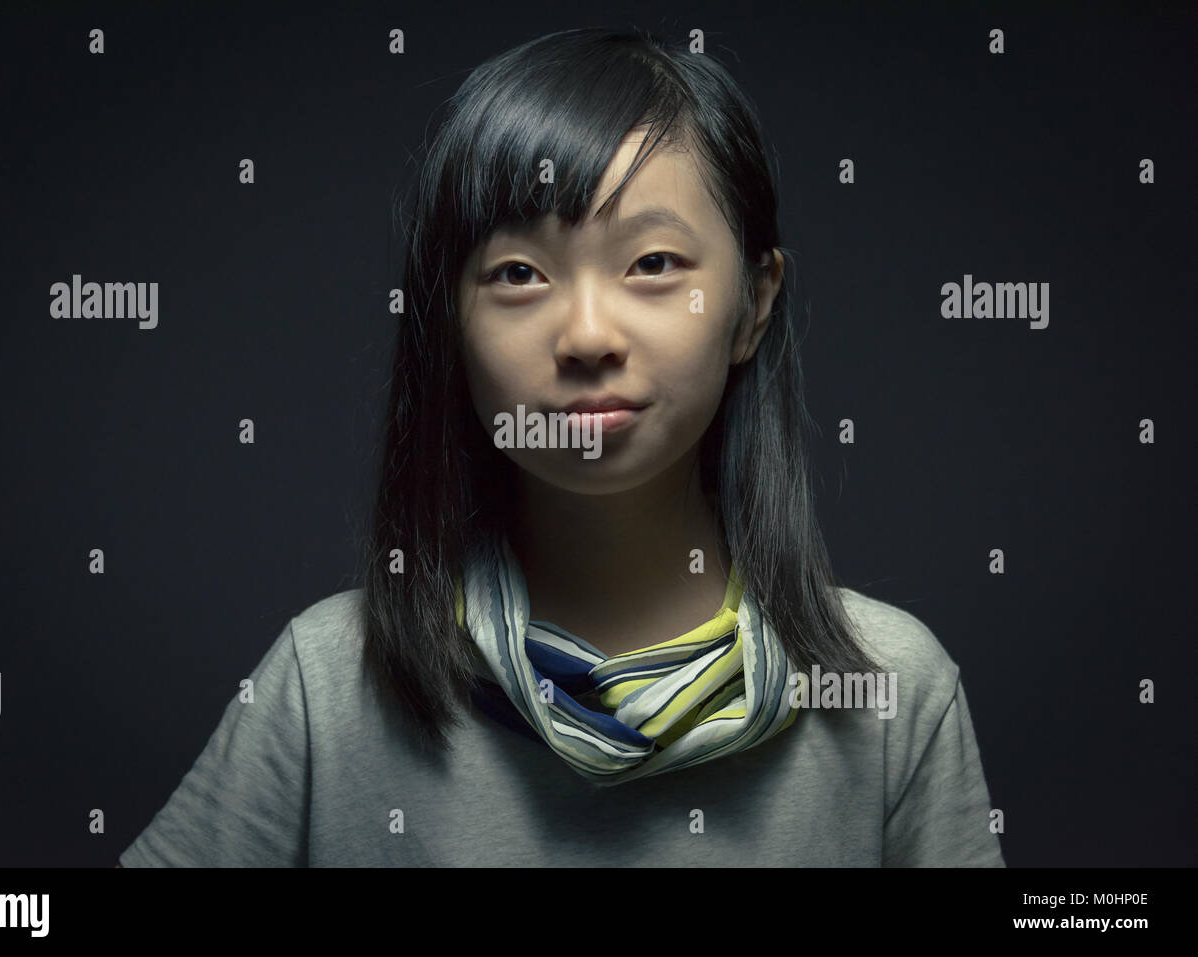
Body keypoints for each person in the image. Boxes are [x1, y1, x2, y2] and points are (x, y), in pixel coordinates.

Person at [119, 26, 1005, 867]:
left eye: (653, 263)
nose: (586, 334)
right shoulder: (325, 685)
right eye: (518, 274)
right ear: (448, 323)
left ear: (754, 302)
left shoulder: (891, 690)